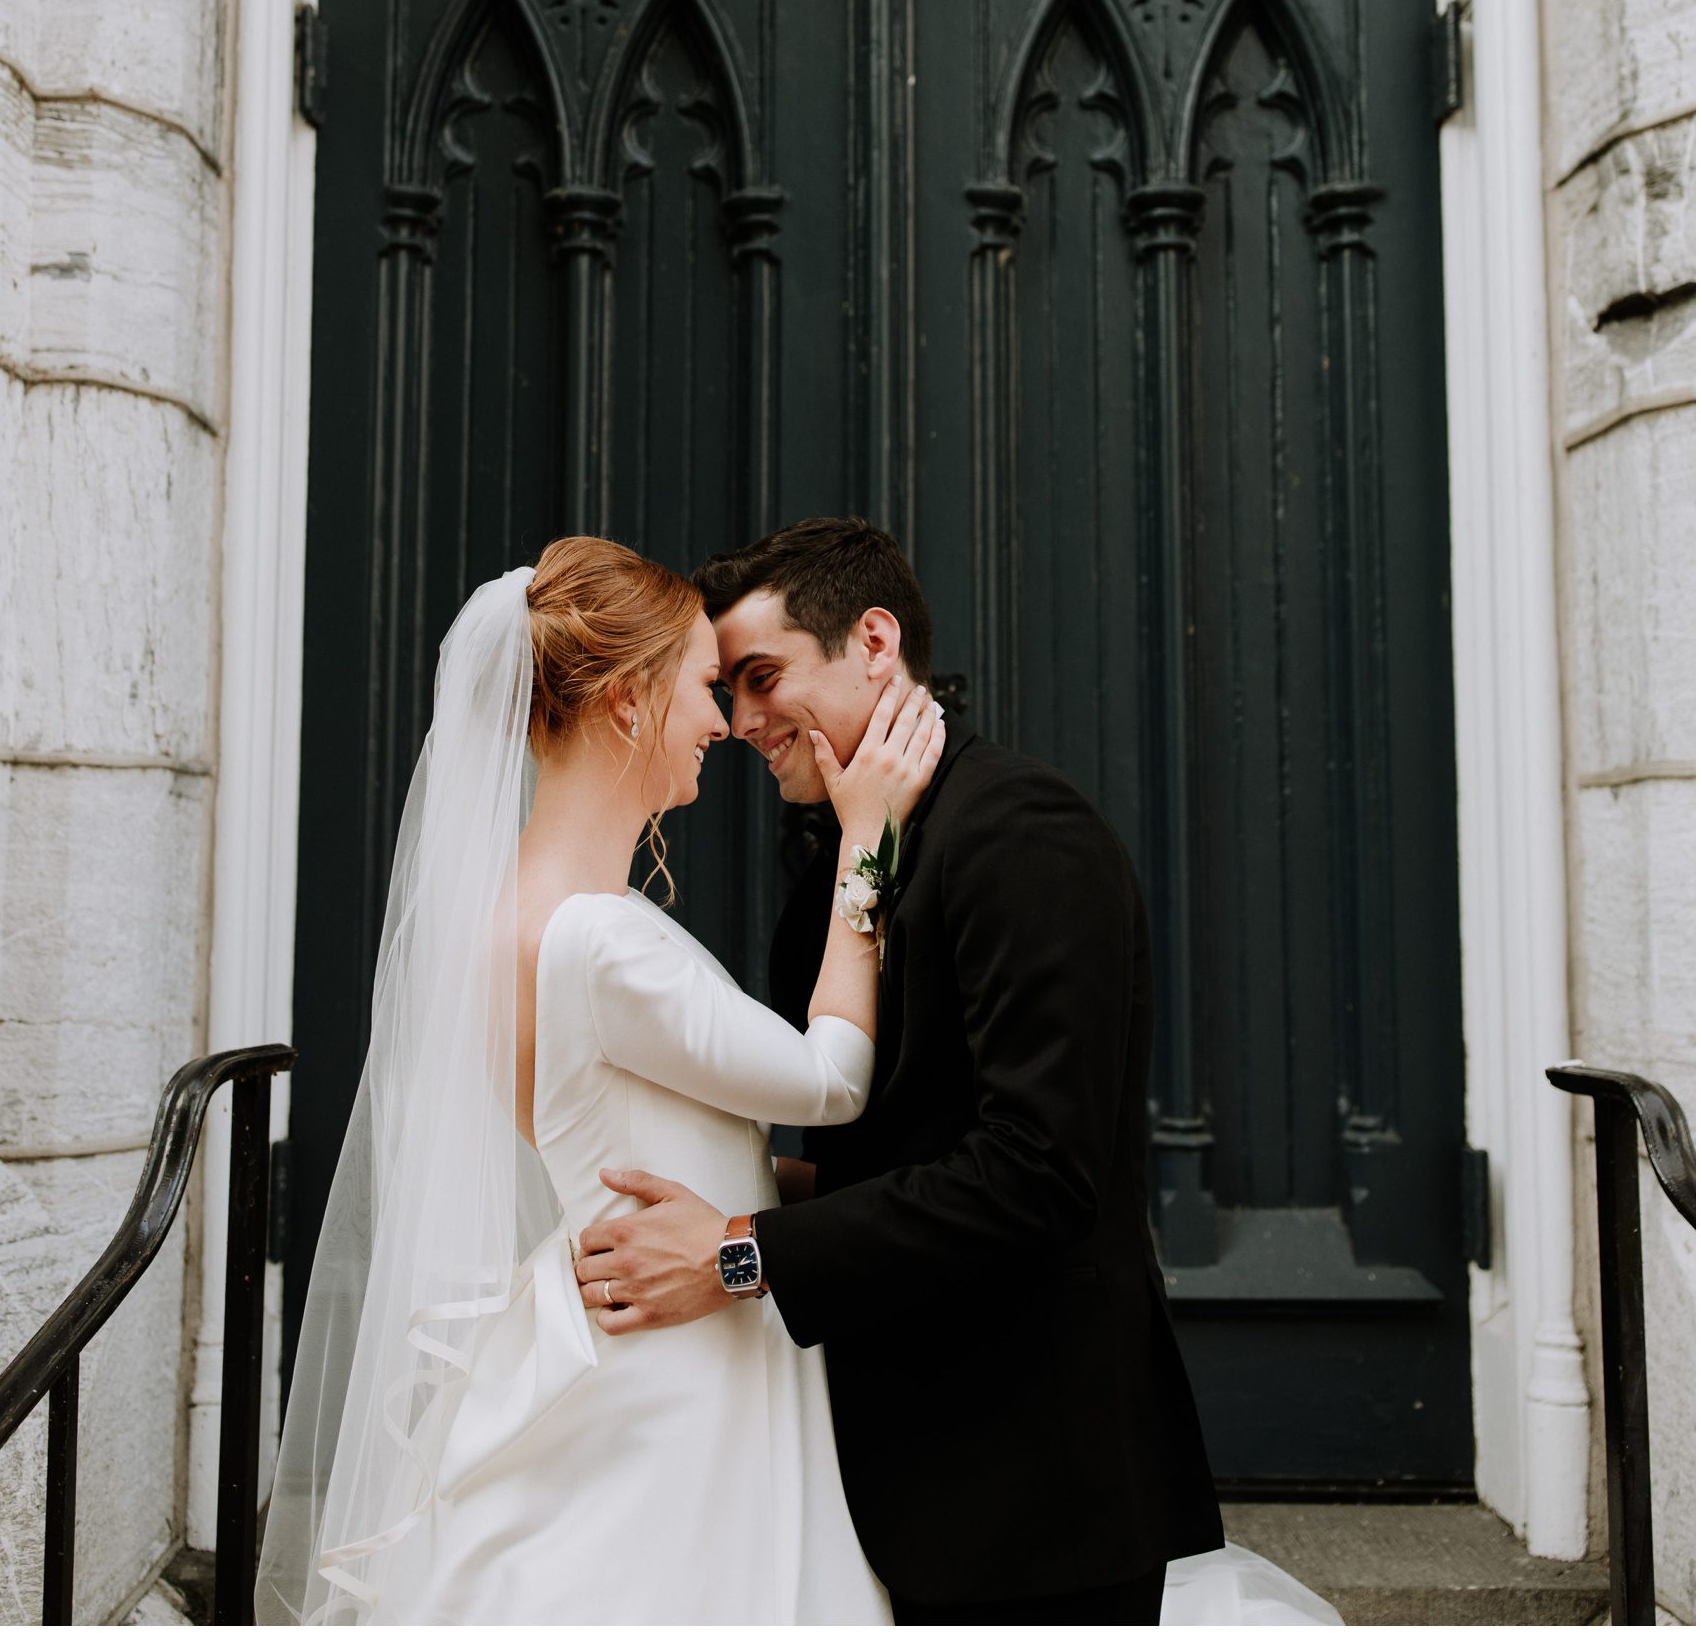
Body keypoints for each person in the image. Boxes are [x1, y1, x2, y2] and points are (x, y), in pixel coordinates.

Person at [572, 518, 1337, 1629]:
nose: (740, 721)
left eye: (763, 676)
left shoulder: (1022, 835)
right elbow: (895, 1148)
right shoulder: (850, 861)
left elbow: (1034, 1172)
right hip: (885, 1483)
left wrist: (736, 1252)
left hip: (1028, 1501)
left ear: (873, 640)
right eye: (728, 690)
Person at [256, 535, 944, 1626]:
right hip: (675, 1371)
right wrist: (870, 843)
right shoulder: (596, 939)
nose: (721, 722)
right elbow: (831, 1078)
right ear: (628, 701)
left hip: (620, 1316)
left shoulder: (501, 920)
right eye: (700, 689)